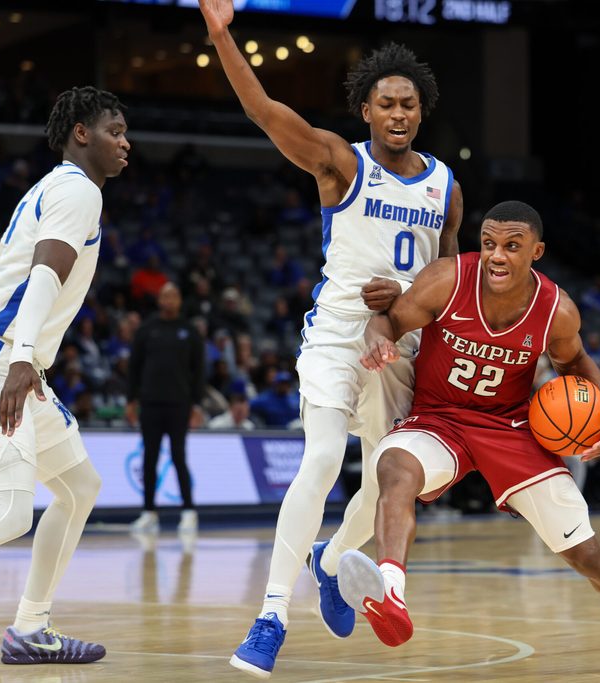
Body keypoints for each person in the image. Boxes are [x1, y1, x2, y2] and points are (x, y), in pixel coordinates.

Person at [197, 1, 463, 677]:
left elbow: (449, 281)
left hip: (402, 346)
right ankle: (271, 615)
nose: (398, 114)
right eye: (386, 103)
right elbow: (262, 109)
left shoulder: (445, 188)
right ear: (366, 110)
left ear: (420, 111)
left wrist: (409, 309)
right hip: (338, 335)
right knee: (318, 462)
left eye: (408, 104)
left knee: (383, 484)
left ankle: (330, 558)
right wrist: (223, 35)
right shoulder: (340, 163)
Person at [338, 201, 600, 677]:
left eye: (511, 246)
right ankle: (391, 590)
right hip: (441, 418)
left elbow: (573, 362)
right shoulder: (448, 278)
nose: (496, 256)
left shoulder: (556, 309)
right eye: (488, 244)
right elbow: (390, 319)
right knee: (395, 467)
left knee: (588, 556)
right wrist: (378, 338)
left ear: (537, 252)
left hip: (511, 427)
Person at [0, 86, 129, 664]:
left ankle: (30, 628)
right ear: (81, 133)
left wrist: (20, 362)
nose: (125, 142)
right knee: (12, 510)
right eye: (114, 130)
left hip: (3, 356)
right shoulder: (76, 189)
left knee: (80, 489)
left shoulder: (59, 186)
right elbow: (46, 272)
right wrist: (18, 359)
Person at [126, 282, 205, 534]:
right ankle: (149, 512)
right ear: (159, 300)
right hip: (150, 402)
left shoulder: (189, 331)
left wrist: (197, 405)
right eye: (165, 296)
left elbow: (199, 371)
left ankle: (189, 512)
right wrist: (131, 400)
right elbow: (134, 367)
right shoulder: (147, 329)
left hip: (179, 403)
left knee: (178, 456)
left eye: (174, 295)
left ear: (180, 300)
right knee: (149, 458)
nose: (169, 300)